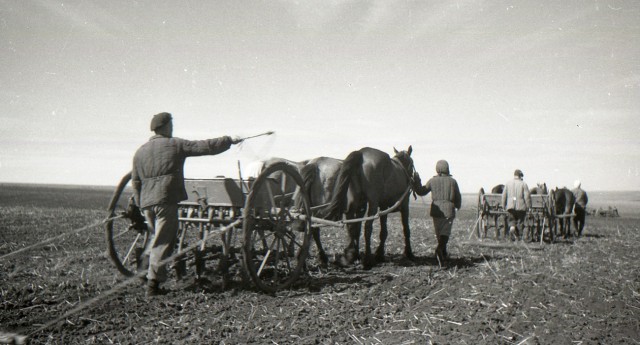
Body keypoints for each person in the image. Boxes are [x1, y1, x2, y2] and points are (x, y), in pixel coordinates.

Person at [131, 112, 243, 297]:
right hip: (165, 200)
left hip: (147, 203)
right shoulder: (174, 144)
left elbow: (135, 182)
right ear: (165, 126)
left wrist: (140, 203)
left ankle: (144, 273)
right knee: (163, 241)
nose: (172, 128)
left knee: (155, 237)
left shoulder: (140, 151)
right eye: (171, 124)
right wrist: (228, 140)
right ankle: (153, 285)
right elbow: (205, 146)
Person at [412, 160, 462, 262]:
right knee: (445, 233)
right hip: (449, 210)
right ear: (447, 168)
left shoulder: (432, 181)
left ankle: (443, 253)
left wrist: (417, 181)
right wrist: (457, 206)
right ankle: (440, 250)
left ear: (437, 169)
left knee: (439, 233)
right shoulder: (453, 181)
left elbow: (421, 191)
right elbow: (458, 197)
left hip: (436, 211)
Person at [501, 169, 531, 241]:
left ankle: (512, 229)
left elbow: (504, 195)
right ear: (520, 176)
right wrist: (529, 206)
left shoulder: (508, 183)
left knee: (512, 220)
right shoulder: (523, 184)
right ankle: (518, 237)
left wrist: (503, 205)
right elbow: (527, 196)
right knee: (520, 222)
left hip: (510, 207)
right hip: (521, 207)